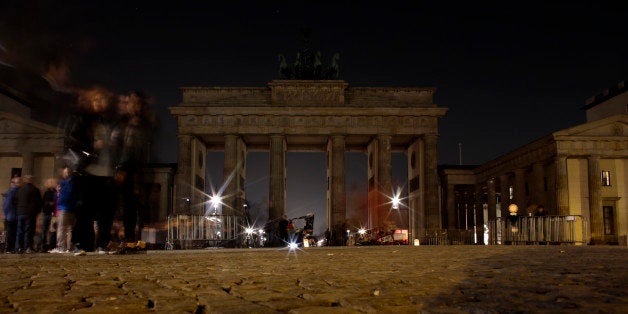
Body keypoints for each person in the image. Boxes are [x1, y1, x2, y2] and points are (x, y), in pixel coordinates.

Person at [63, 86, 118, 254]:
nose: (101, 103)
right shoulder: (82, 120)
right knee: (85, 210)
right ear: (91, 102)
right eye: (97, 100)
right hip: (88, 170)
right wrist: (92, 146)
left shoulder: (111, 122)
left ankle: (103, 244)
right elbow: (72, 142)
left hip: (107, 171)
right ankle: (82, 245)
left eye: (104, 100)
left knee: (106, 212)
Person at [111, 91, 153, 248]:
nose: (135, 106)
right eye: (131, 102)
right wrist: (119, 167)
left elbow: (144, 149)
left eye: (138, 103)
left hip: (136, 169)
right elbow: (117, 146)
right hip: (122, 168)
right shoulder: (121, 123)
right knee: (119, 204)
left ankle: (130, 239)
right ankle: (112, 239)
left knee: (133, 206)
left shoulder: (144, 123)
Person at [50, 166, 77, 253]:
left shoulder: (65, 183)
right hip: (71, 209)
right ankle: (69, 247)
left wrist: (58, 192)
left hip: (64, 208)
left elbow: (62, 197)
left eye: (66, 172)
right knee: (69, 229)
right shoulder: (72, 182)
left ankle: (61, 247)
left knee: (62, 228)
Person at [14, 175, 42, 254]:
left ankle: (18, 247)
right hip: (30, 213)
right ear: (32, 181)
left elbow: (15, 201)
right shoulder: (34, 190)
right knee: (28, 231)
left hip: (20, 212)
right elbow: (38, 202)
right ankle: (27, 247)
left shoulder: (20, 189)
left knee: (19, 231)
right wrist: (37, 212)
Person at [2, 176, 20, 253]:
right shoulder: (15, 191)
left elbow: (6, 205)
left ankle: (8, 248)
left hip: (10, 215)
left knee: (9, 233)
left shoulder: (11, 191)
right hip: (13, 215)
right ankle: (10, 248)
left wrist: (5, 213)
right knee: (12, 233)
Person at [40, 178, 57, 252]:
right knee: (44, 230)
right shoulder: (46, 192)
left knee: (53, 230)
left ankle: (52, 246)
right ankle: (43, 246)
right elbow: (43, 202)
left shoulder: (55, 192)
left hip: (53, 213)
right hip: (46, 213)